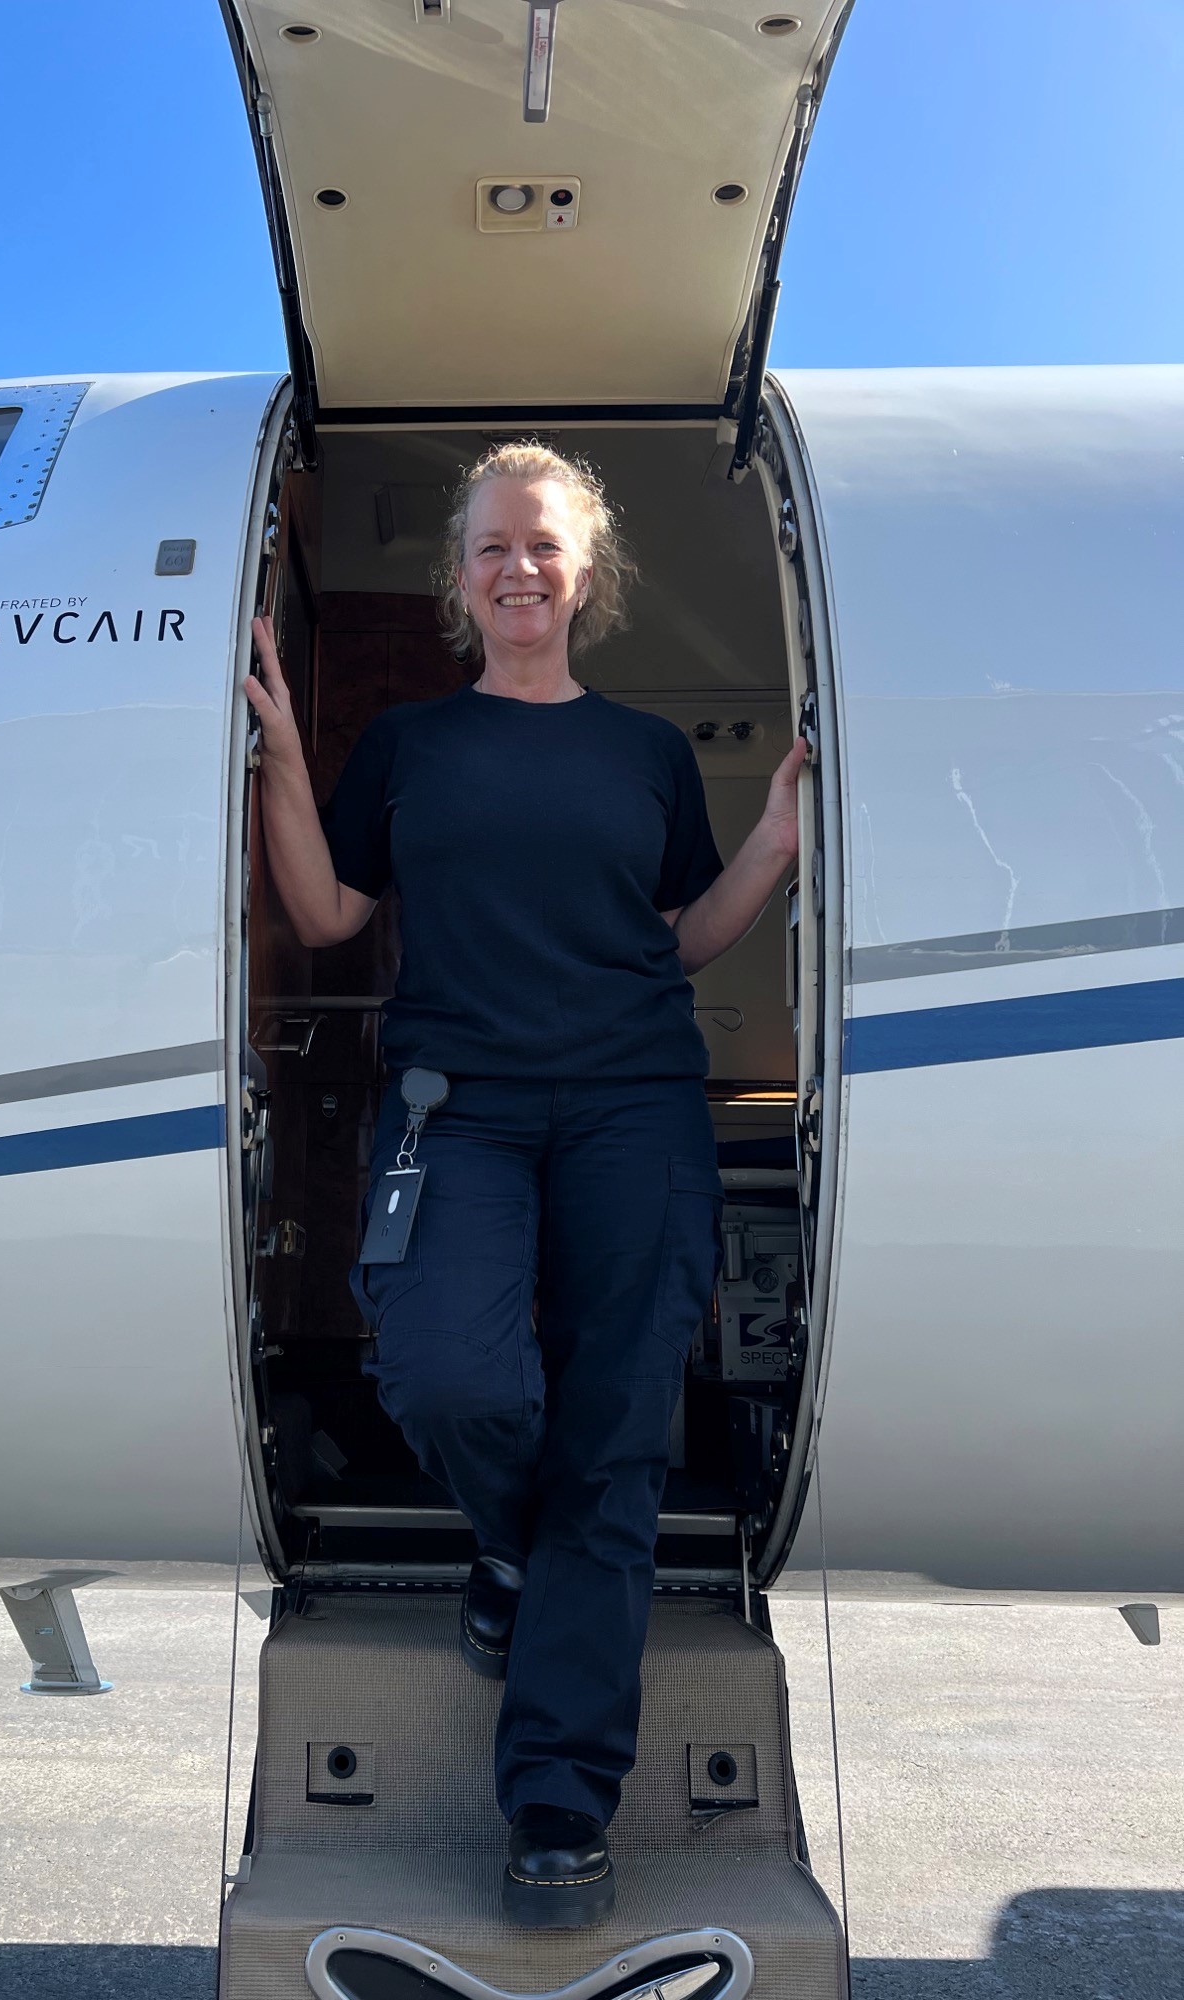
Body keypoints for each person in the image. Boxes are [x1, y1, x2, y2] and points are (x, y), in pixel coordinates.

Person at [246, 441, 805, 1928]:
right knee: (448, 1378)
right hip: (461, 1109)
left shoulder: (644, 755)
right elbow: (324, 912)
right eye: (492, 546)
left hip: (633, 1104)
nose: (517, 569)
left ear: (585, 573)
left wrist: (774, 844)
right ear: (461, 575)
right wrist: (291, 761)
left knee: (618, 1437)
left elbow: (676, 939)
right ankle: (509, 1543)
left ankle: (557, 1796)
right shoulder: (410, 749)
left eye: (543, 546)